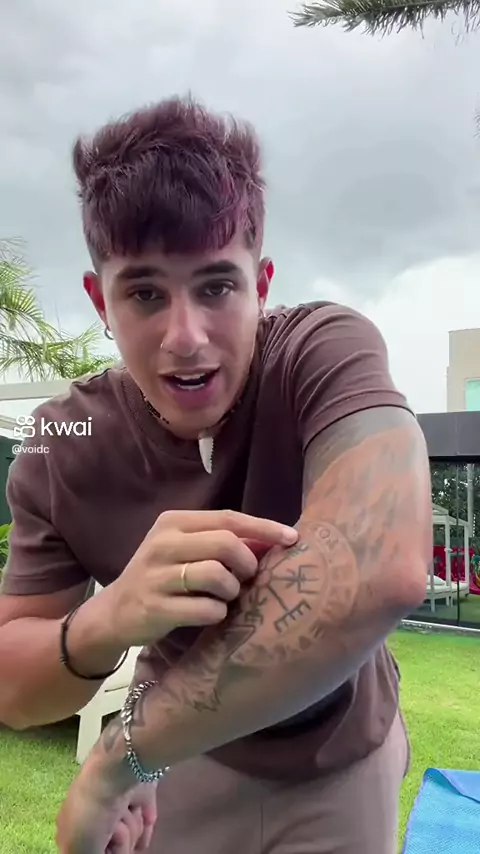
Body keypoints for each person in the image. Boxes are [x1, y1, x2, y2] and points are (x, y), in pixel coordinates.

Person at [0, 95, 431, 854]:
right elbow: (14, 687)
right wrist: (112, 615)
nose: (186, 337)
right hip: (182, 766)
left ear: (261, 284)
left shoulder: (321, 351)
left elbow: (383, 568)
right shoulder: (60, 441)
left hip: (339, 754)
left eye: (216, 286)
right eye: (144, 293)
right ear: (100, 300)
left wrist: (118, 761)